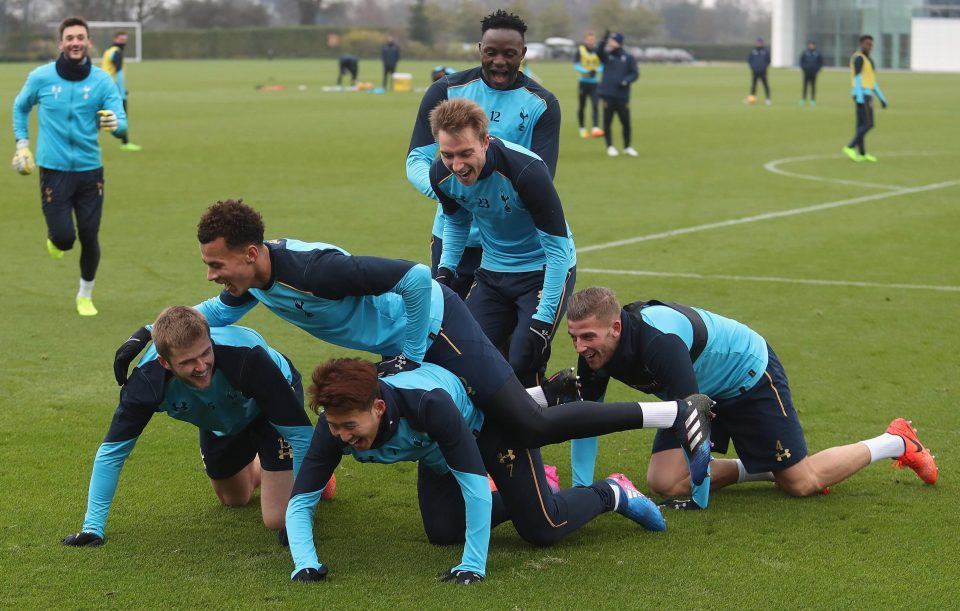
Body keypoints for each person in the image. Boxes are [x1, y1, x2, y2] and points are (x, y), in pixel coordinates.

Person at [110, 200, 714, 489]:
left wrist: (407, 350)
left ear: (249, 254)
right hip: (418, 340)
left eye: (216, 264)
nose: (211, 275)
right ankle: (541, 392)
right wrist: (144, 333)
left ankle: (673, 410)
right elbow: (211, 312)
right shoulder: (259, 281)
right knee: (493, 416)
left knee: (528, 425)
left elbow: (414, 279)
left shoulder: (314, 271)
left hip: (438, 324)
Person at [286, 358, 668, 583]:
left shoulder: (429, 406)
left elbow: (472, 485)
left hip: (490, 432)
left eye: (349, 427)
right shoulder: (333, 426)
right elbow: (301, 501)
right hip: (439, 456)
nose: (341, 436)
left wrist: (473, 565)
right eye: (335, 427)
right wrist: (305, 564)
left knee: (541, 528)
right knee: (443, 533)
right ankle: (532, 489)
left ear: (379, 409)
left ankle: (612, 492)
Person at [563, 287, 938, 510]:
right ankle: (766, 466)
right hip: (699, 391)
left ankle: (896, 440)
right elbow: (587, 419)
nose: (580, 348)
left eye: (588, 338)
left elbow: (692, 417)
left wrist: (700, 499)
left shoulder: (659, 342)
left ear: (615, 328)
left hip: (748, 376)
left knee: (800, 483)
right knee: (664, 483)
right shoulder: (594, 356)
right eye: (574, 338)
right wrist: (581, 491)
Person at [61, 306, 318, 548]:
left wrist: (300, 519)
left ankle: (312, 472)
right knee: (234, 499)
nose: (201, 366)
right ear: (165, 362)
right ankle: (272, 464)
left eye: (206, 353)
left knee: (278, 518)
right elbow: (113, 451)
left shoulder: (248, 358)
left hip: (268, 410)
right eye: (187, 362)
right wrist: (92, 527)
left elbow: (301, 435)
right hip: (217, 419)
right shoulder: (147, 384)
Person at [406, 9, 560, 300]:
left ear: (523, 53)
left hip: (509, 243)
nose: (499, 61)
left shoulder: (543, 104)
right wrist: (450, 190)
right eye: (490, 52)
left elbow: (542, 175)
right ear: (479, 50)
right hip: (455, 237)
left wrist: (482, 198)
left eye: (509, 53)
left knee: (503, 337)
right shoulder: (446, 90)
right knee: (447, 327)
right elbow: (416, 160)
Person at [429, 97, 574, 387]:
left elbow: (558, 252)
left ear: (485, 141)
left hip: (542, 272)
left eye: (465, 153)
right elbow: (457, 222)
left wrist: (543, 321)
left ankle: (554, 404)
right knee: (464, 354)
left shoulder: (526, 171)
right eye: (447, 154)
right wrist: (445, 271)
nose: (457, 166)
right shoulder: (440, 174)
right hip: (493, 272)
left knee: (524, 359)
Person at [12, 16, 127, 317]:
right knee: (64, 237)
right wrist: (22, 143)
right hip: (54, 170)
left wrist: (116, 125)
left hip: (91, 172)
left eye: (80, 37)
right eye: (69, 38)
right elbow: (20, 106)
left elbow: (120, 120)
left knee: (89, 235)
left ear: (89, 42)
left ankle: (85, 295)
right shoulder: (41, 77)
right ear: (61, 43)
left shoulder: (102, 80)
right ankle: (56, 239)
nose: (75, 42)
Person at [843, 35, 888, 163]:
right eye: (867, 44)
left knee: (861, 125)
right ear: (861, 44)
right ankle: (850, 147)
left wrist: (881, 98)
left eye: (871, 44)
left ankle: (862, 153)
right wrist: (859, 96)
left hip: (866, 93)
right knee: (869, 124)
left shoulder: (869, 60)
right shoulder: (859, 58)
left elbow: (871, 81)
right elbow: (857, 78)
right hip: (862, 94)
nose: (869, 46)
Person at [597, 31, 639, 157]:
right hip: (608, 95)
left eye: (613, 40)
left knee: (625, 122)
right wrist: (603, 39)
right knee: (607, 121)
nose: (611, 42)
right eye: (610, 40)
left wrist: (626, 81)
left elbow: (635, 73)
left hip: (622, 96)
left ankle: (627, 147)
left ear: (619, 42)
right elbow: (599, 52)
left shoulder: (628, 57)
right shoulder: (607, 56)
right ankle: (610, 146)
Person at [101, 30, 142, 151]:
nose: (123, 42)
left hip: (103, 86)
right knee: (121, 116)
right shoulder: (117, 53)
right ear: (115, 39)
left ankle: (88, 142)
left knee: (99, 116)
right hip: (113, 89)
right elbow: (118, 73)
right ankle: (125, 143)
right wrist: (122, 92)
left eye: (125, 40)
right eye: (121, 40)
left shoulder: (108, 51)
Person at [574, 31, 603, 139]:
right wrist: (587, 71)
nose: (591, 42)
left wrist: (597, 70)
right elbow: (576, 65)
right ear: (585, 40)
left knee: (595, 105)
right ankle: (582, 128)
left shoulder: (597, 51)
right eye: (589, 40)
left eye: (593, 40)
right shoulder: (580, 50)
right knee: (582, 106)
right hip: (583, 82)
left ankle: (595, 128)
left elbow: (602, 65)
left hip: (595, 83)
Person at [747, 37, 771, 105]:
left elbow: (768, 61)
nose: (759, 44)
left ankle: (768, 99)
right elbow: (749, 60)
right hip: (755, 71)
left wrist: (764, 67)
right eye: (758, 42)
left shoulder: (765, 51)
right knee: (753, 86)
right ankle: (751, 99)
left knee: (765, 85)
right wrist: (753, 67)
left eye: (760, 42)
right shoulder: (753, 51)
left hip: (763, 71)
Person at [798, 41, 823, 106]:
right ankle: (803, 100)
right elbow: (801, 61)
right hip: (806, 72)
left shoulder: (817, 53)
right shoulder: (805, 52)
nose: (811, 46)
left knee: (813, 87)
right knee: (805, 86)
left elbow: (821, 62)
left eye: (813, 45)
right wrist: (804, 68)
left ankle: (813, 100)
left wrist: (817, 69)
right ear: (809, 45)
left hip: (814, 72)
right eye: (810, 45)